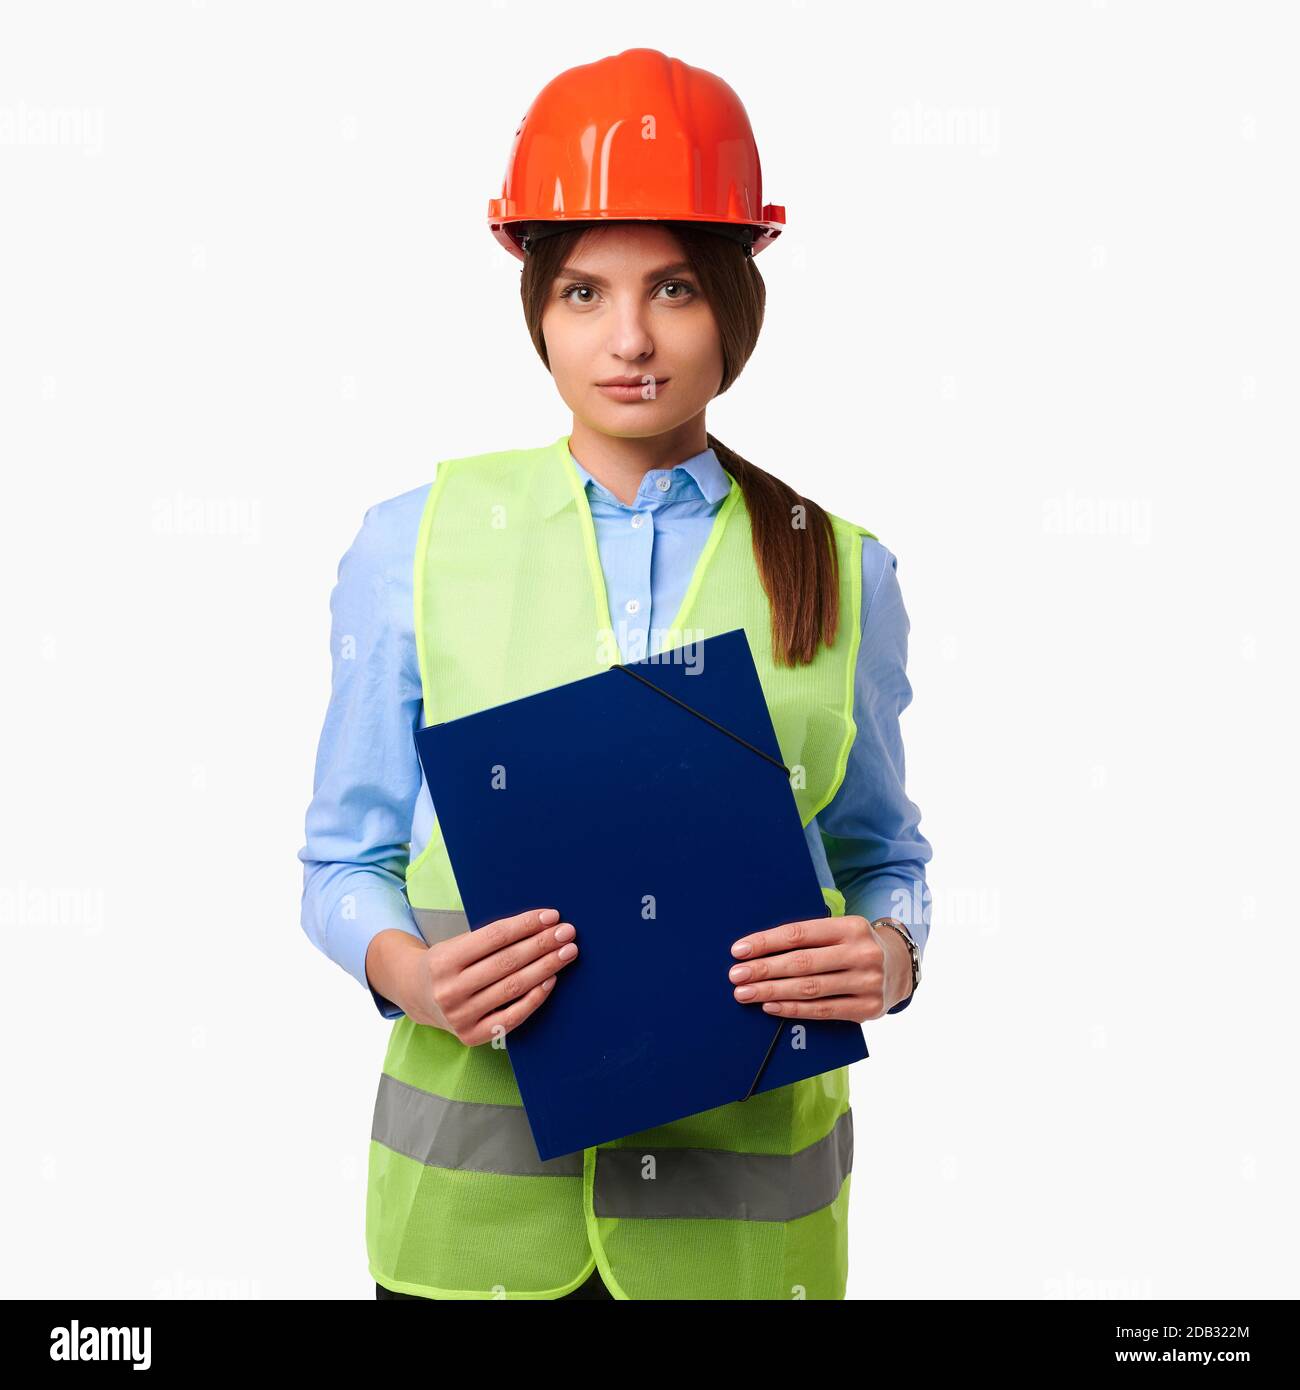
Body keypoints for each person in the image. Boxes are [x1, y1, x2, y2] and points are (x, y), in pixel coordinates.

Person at [298, 47, 932, 1301]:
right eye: (584, 291)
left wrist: (895, 953)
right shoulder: (412, 544)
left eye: (676, 287)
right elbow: (340, 861)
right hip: (468, 1238)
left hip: (741, 1245)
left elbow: (885, 859)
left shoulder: (841, 570)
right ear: (535, 304)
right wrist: (412, 975)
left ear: (738, 302)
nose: (629, 338)